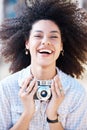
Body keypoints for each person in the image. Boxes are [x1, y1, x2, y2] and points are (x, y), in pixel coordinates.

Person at [0, 0, 87, 130]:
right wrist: (27, 114)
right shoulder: (6, 89)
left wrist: (52, 116)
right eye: (38, 36)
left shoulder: (76, 93)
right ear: (27, 43)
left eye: (53, 37)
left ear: (61, 45)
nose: (45, 41)